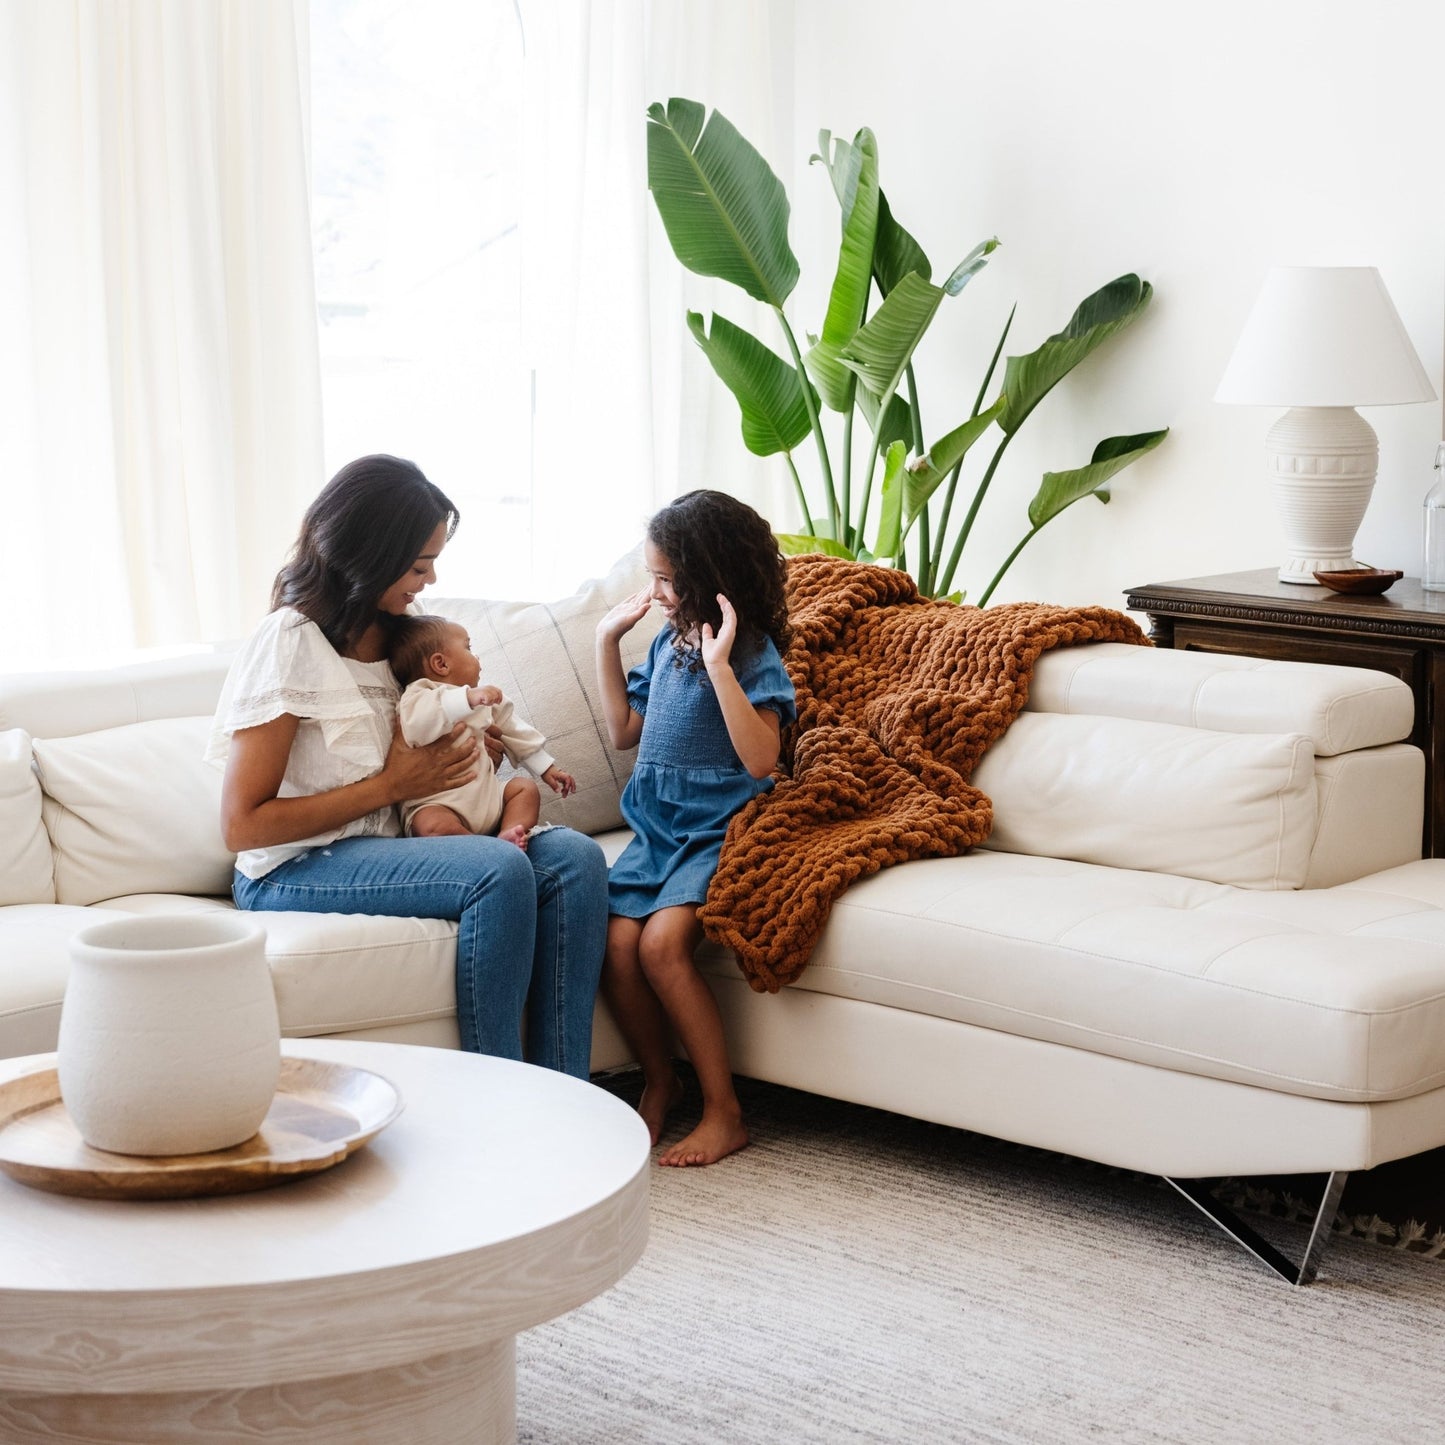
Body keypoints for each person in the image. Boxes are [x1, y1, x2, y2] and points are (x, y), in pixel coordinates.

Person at [206, 454, 608, 1078]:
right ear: (369, 553)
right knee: (497, 869)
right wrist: (391, 786)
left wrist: (476, 751)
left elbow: (433, 724)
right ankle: (502, 1098)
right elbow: (242, 826)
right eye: (420, 565)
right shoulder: (291, 640)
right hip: (295, 866)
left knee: (577, 860)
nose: (429, 578)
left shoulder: (397, 636)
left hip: (400, 844)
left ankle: (568, 1095)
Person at [594, 489, 796, 1165]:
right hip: (657, 827)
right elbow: (626, 733)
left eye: (665, 580)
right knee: (616, 945)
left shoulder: (750, 652)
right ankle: (661, 1082)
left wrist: (719, 669)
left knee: (660, 948)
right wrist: (605, 643)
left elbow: (762, 759)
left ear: (711, 575)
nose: (655, 593)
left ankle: (724, 1109)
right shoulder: (664, 640)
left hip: (715, 827)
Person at [388, 612, 576, 848]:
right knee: (429, 824)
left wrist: (546, 767)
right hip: (442, 805)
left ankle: (509, 834)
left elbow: (514, 731)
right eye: (468, 648)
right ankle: (484, 849)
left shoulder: (485, 699)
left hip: (488, 799)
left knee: (524, 789)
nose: (476, 656)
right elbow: (416, 725)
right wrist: (467, 698)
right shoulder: (419, 695)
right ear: (441, 664)